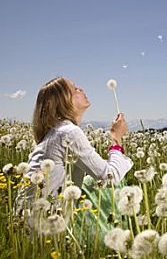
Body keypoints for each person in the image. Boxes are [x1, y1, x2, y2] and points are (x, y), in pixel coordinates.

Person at [14, 76, 133, 219]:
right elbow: (109, 177)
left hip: (28, 219)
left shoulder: (57, 132)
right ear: (61, 101)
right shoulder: (69, 133)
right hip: (43, 224)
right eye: (74, 89)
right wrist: (116, 140)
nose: (81, 89)